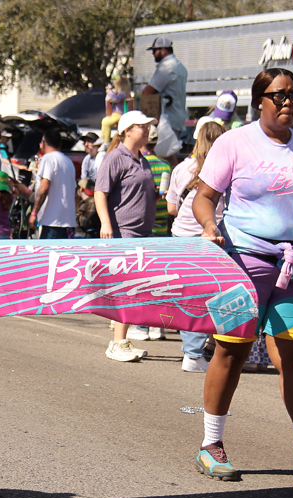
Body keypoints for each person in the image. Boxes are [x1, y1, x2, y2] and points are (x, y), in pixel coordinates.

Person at [191, 68, 293, 493]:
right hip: (242, 265)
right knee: (232, 352)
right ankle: (211, 445)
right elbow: (204, 197)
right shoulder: (233, 142)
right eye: (279, 96)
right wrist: (210, 227)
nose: (288, 103)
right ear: (258, 100)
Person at [94, 110, 159, 362]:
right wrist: (106, 223)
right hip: (124, 232)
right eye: (142, 126)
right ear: (128, 130)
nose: (147, 130)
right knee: (126, 287)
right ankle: (117, 343)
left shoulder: (142, 159)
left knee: (134, 288)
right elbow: (100, 192)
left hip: (142, 233)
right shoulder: (115, 158)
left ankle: (121, 339)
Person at [167, 119, 224, 373]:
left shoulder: (182, 168)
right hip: (212, 237)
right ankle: (194, 353)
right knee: (211, 294)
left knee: (189, 294)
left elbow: (171, 207)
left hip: (181, 236)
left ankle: (193, 350)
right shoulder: (225, 167)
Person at [28, 130, 76, 239]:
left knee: (48, 255)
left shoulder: (48, 159)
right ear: (60, 144)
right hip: (68, 222)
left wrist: (34, 213)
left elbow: (44, 187)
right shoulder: (68, 162)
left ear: (43, 143)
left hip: (52, 222)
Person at [142, 37, 188, 147]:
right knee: (171, 154)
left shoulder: (167, 68)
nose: (153, 53)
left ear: (163, 50)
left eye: (154, 50)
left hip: (167, 119)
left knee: (162, 155)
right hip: (178, 117)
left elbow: (147, 92)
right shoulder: (180, 67)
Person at [101, 76, 133, 142]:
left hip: (120, 115)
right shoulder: (121, 94)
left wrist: (109, 91)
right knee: (104, 120)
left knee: (106, 123)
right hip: (116, 114)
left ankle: (106, 141)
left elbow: (115, 99)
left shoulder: (123, 94)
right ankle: (102, 137)